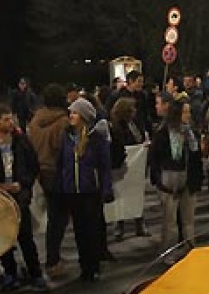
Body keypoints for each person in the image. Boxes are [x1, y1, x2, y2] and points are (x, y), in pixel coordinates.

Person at [0, 104, 48, 292]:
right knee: (3, 239)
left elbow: (33, 167)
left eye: (11, 118)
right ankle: (10, 274)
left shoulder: (22, 142)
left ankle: (36, 274)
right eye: (6, 119)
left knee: (26, 237)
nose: (11, 122)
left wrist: (22, 184)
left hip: (19, 196)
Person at [56, 97, 113, 282]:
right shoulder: (66, 137)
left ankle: (94, 266)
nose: (71, 116)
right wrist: (62, 186)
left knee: (92, 231)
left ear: (84, 116)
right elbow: (62, 164)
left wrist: (106, 189)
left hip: (91, 191)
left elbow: (105, 166)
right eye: (70, 112)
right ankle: (84, 267)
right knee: (79, 231)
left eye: (75, 113)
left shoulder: (96, 138)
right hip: (72, 191)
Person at [149, 98, 203, 257]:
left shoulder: (191, 133)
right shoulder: (163, 133)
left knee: (188, 220)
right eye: (185, 112)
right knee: (170, 222)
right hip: (169, 182)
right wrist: (159, 181)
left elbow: (196, 158)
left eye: (189, 112)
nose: (188, 115)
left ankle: (190, 250)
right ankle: (168, 253)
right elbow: (154, 158)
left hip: (188, 181)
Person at [27, 84, 70, 277]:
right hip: (58, 172)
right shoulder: (62, 122)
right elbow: (63, 149)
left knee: (54, 217)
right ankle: (53, 261)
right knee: (59, 219)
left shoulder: (35, 121)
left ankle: (53, 258)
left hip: (41, 172)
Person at [109, 96, 150, 241]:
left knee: (137, 194)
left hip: (137, 165)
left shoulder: (136, 122)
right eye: (132, 108)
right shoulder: (116, 127)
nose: (135, 110)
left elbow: (141, 137)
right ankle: (120, 225)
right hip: (124, 166)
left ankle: (139, 222)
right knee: (121, 196)